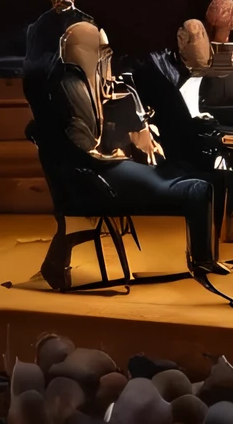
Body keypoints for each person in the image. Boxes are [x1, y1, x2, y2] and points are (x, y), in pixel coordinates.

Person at [52, 19, 221, 289]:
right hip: (101, 176)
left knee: (194, 179)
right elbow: (84, 145)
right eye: (102, 52)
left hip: (106, 170)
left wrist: (138, 130)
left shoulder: (84, 84)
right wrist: (125, 141)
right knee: (196, 188)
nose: (107, 60)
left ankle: (202, 259)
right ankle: (201, 262)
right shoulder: (71, 89)